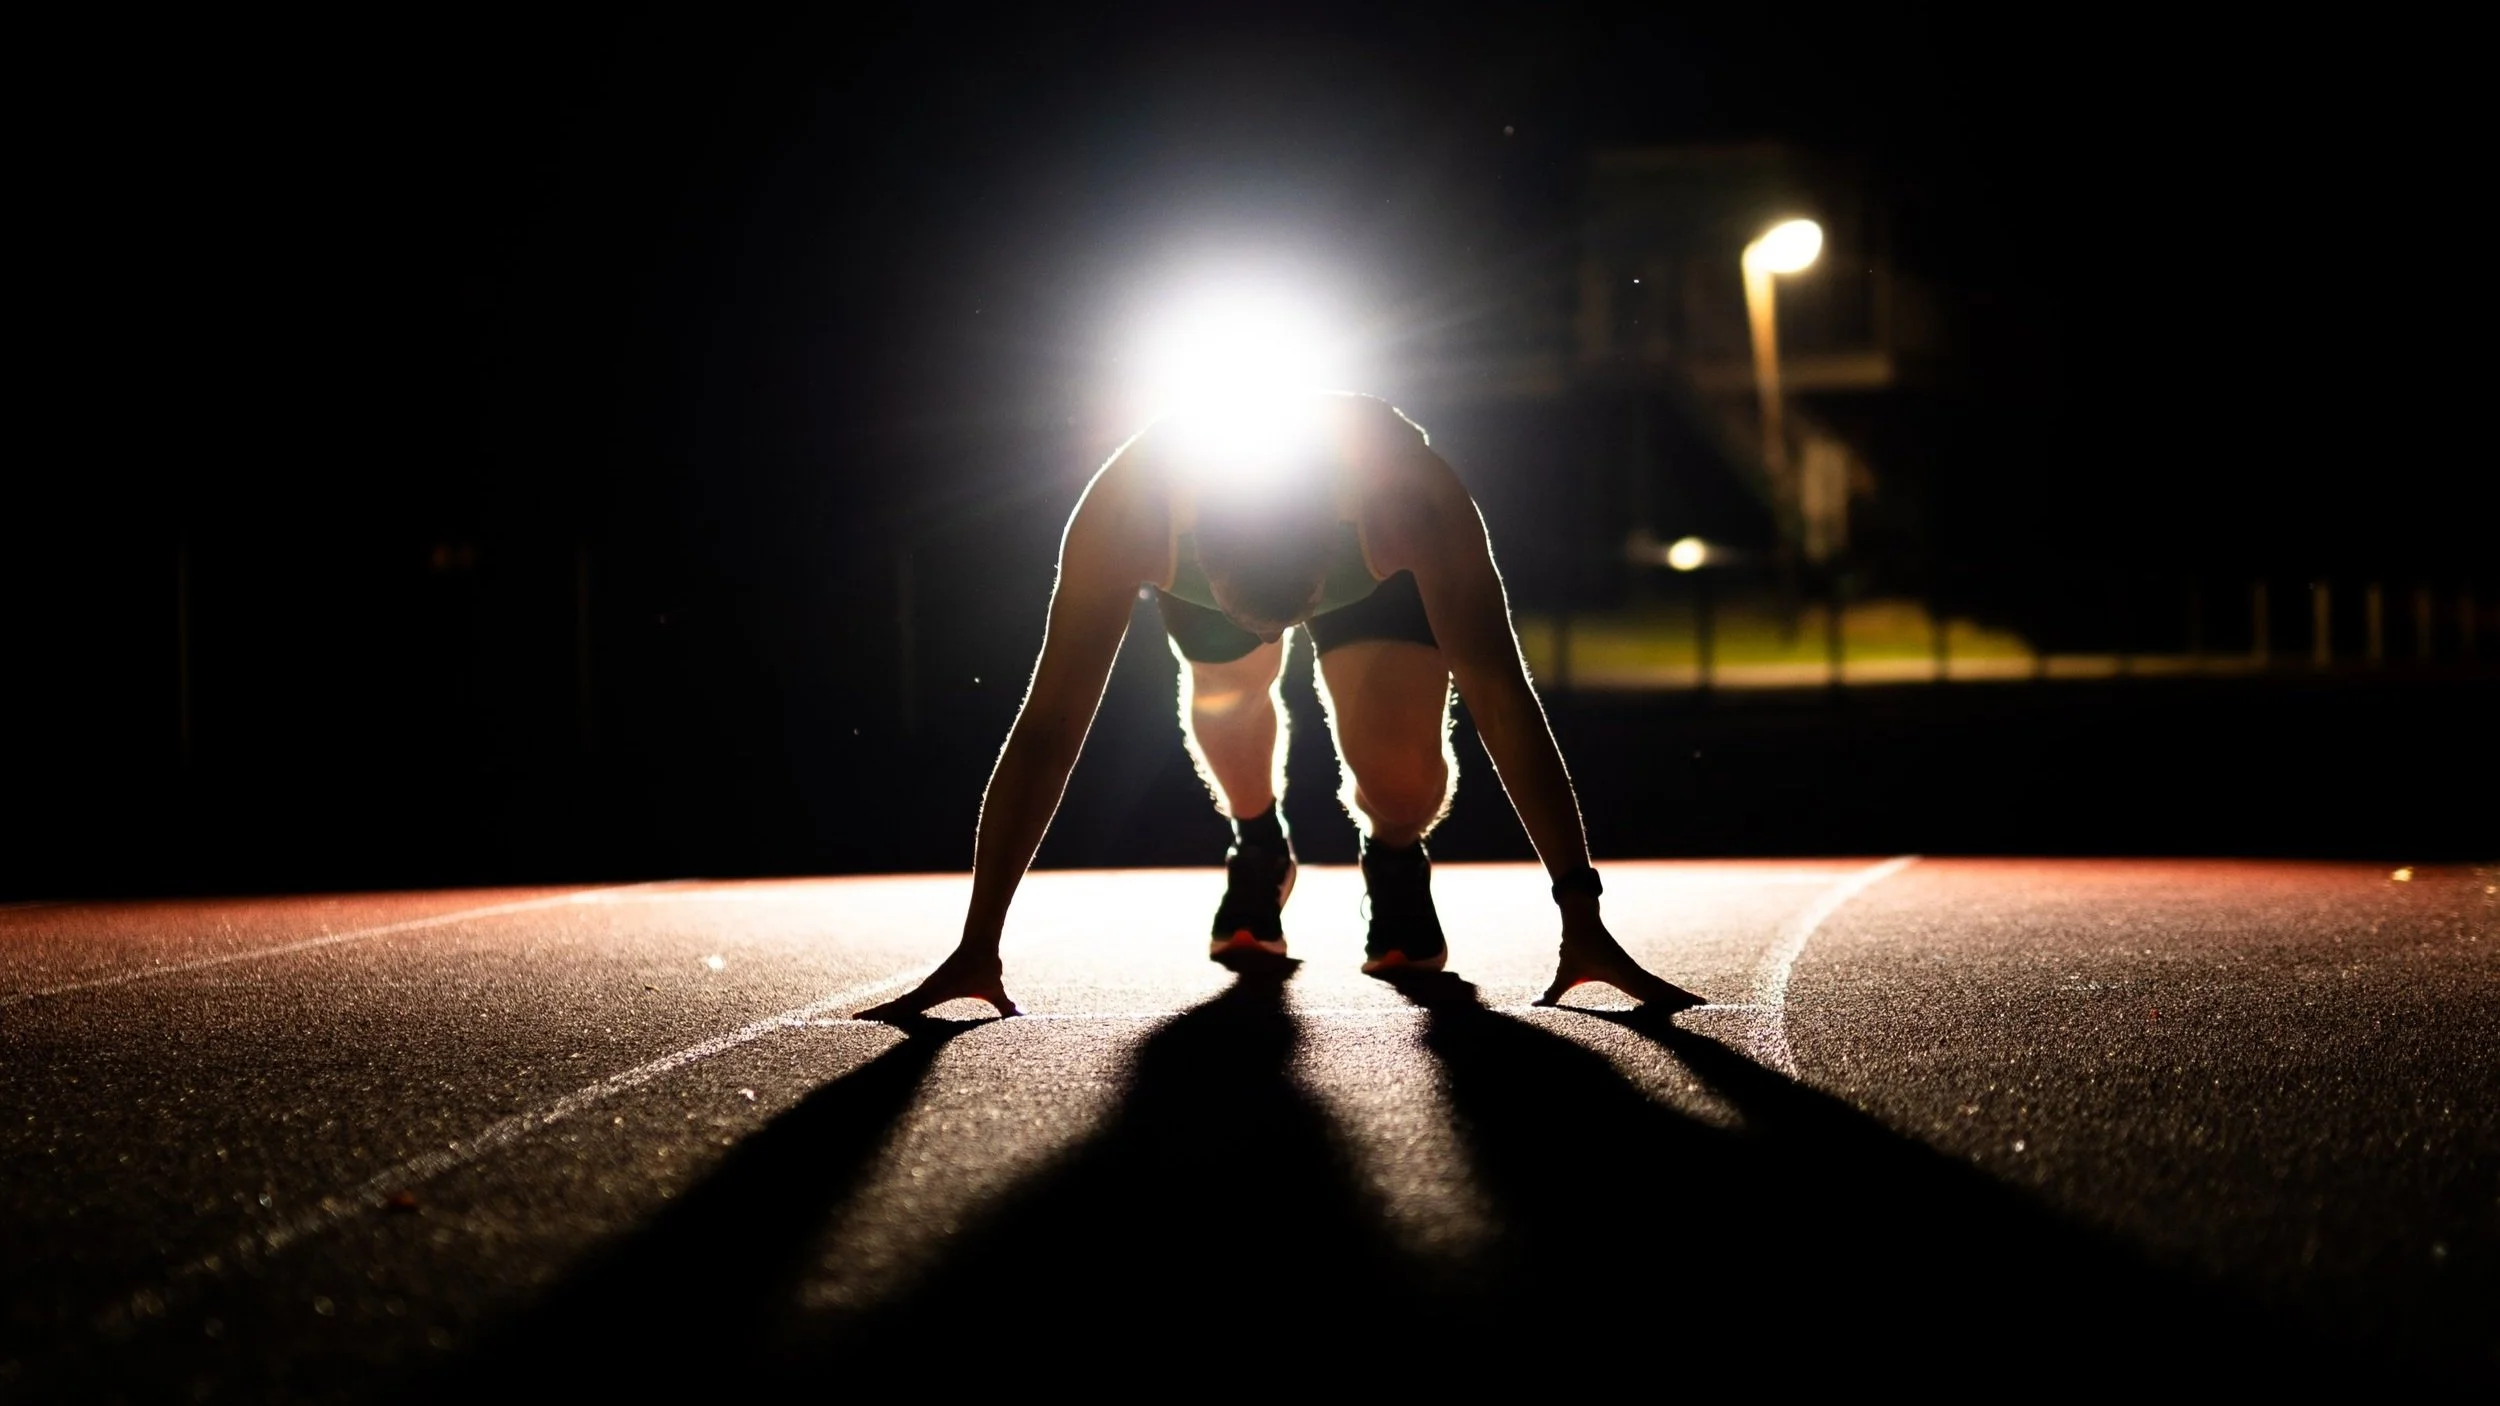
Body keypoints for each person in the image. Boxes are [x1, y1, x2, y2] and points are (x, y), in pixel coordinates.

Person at [860, 390, 1699, 1019]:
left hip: (1373, 577)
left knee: (1402, 776)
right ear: (1201, 538)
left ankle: (1395, 856)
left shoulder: (1405, 496)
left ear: (1334, 531)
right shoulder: (1131, 511)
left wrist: (1580, 912)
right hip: (1229, 565)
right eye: (1254, 608)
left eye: (1292, 606)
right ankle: (1259, 844)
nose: (1282, 630)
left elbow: (1502, 696)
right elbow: (1048, 727)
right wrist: (978, 944)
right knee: (1229, 692)